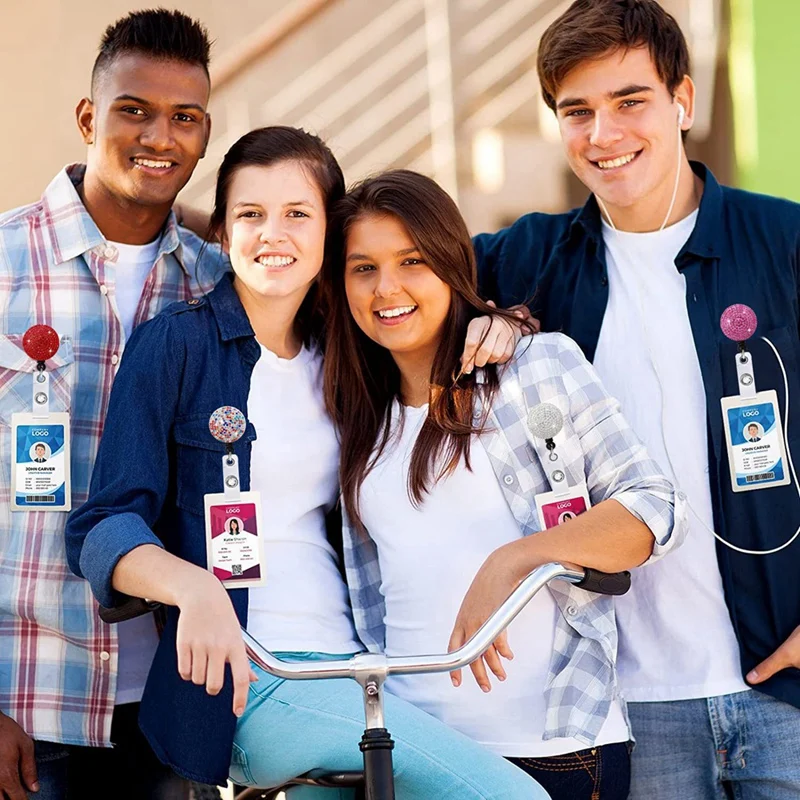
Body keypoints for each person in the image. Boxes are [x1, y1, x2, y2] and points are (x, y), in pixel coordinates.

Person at [66, 126, 546, 797]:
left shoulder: (349, 350)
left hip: (364, 670)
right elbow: (103, 526)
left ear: (329, 232)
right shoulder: (175, 347)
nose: (273, 234)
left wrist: (503, 323)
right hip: (256, 679)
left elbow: (439, 293)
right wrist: (192, 587)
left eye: (297, 214)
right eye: (250, 214)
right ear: (224, 231)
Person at [471, 1, 800, 796]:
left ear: (683, 101)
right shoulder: (531, 261)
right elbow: (379, 281)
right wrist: (479, 324)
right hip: (628, 707)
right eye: (576, 111)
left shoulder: (783, 242)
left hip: (783, 691)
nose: (602, 134)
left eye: (629, 102)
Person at [323, 169, 684, 800]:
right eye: (363, 268)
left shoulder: (536, 369)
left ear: (451, 262)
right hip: (411, 751)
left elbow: (654, 510)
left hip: (554, 751)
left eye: (412, 260)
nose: (387, 288)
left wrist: (516, 561)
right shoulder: (357, 416)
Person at [0, 9, 228, 800]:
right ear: (90, 118)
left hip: (175, 705)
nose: (159, 137)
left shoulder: (218, 284)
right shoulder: (2, 263)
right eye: (135, 110)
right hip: (27, 703)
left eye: (185, 118)